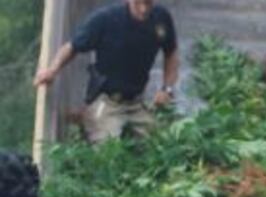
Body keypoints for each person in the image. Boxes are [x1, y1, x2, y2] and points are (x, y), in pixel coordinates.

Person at [33, 0, 178, 144]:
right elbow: (72, 47)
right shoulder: (106, 19)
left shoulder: (161, 18)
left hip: (136, 102)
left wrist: (167, 88)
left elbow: (171, 53)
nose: (143, 10)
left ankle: (87, 118)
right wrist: (52, 70)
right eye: (138, 4)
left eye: (148, 4)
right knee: (108, 151)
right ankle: (88, 118)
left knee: (162, 143)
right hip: (107, 101)